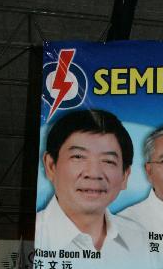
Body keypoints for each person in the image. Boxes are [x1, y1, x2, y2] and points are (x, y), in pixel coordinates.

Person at [36, 108, 146, 256]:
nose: (93, 173)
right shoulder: (35, 233)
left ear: (125, 176)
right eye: (78, 157)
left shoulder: (140, 240)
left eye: (108, 161)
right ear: (50, 166)